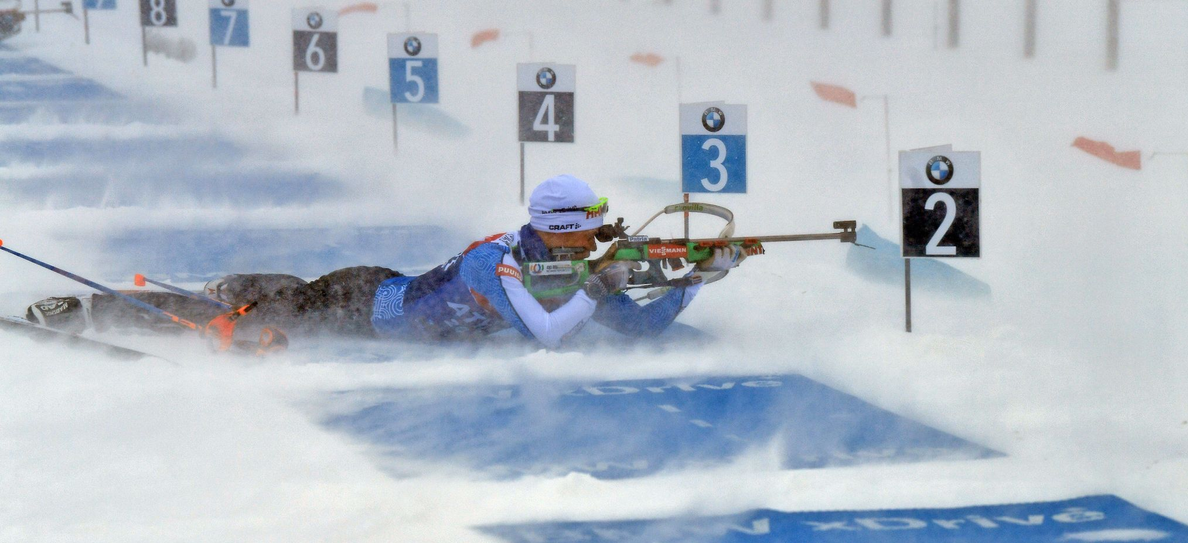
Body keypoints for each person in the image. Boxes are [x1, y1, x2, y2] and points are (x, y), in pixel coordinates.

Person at [25, 175, 749, 351]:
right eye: (588, 229)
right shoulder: (496, 263)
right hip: (361, 306)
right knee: (235, 322)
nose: (597, 241)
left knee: (273, 301)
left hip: (376, 290)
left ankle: (239, 285)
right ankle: (88, 309)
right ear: (559, 229)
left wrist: (693, 283)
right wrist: (604, 281)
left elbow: (638, 329)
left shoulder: (568, 273)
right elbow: (549, 334)